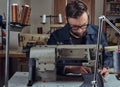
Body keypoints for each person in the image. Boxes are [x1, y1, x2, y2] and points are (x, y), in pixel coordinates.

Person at [47, 0, 112, 78]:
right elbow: (48, 64)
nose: (80, 30)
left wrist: (105, 68)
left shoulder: (97, 32)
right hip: (66, 81)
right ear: (66, 19)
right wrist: (70, 69)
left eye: (84, 25)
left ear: (88, 17)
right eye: (75, 27)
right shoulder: (56, 36)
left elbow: (108, 56)